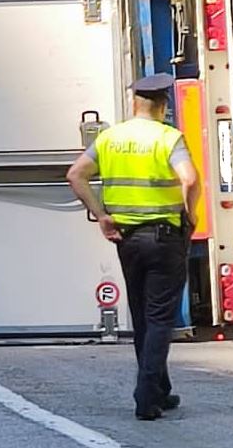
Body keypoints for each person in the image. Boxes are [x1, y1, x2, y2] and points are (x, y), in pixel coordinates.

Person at [67, 73, 200, 421]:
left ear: (134, 104)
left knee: (143, 314)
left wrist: (101, 215)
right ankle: (145, 393)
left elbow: (75, 174)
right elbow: (190, 178)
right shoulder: (168, 137)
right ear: (163, 105)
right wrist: (191, 212)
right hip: (164, 236)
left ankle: (159, 390)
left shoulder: (111, 137)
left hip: (126, 238)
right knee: (159, 318)